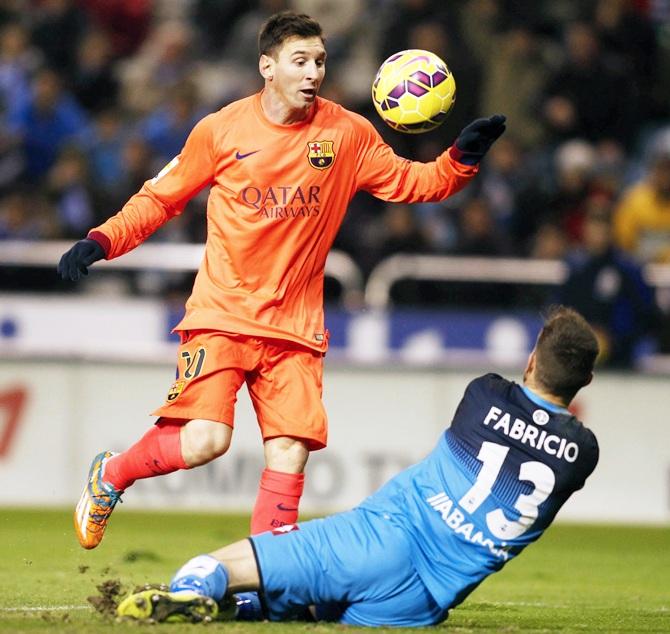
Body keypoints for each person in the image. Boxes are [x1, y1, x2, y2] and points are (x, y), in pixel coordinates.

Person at [58, 10, 507, 549]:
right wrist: (102, 240)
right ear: (267, 67)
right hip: (224, 313)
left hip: (295, 326)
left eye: (319, 61)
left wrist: (460, 159)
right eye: (300, 61)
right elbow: (161, 198)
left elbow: (416, 183)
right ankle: (112, 475)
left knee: (290, 449)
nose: (313, 72)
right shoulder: (221, 130)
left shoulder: (347, 133)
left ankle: (268, 577)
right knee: (205, 440)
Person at [115, 306, 600, 627]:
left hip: (379, 540)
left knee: (214, 566)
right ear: (586, 380)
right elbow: (542, 428)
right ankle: (244, 607)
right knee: (294, 609)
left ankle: (190, 591)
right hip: (424, 605)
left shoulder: (483, 394)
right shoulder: (582, 453)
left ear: (532, 358)